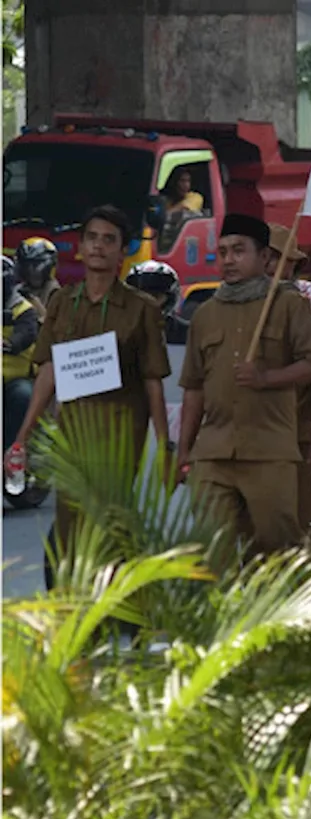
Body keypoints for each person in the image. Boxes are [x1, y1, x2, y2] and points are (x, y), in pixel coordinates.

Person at [10, 206, 171, 564]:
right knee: (69, 529)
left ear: (122, 250)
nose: (99, 247)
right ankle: (73, 608)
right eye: (92, 238)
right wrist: (22, 437)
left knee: (110, 526)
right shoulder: (63, 302)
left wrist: (164, 447)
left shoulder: (142, 308)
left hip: (120, 435)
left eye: (109, 240)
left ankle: (116, 610)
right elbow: (49, 372)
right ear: (81, 246)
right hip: (72, 435)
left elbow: (153, 381)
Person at [176, 213, 311, 560]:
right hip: (213, 452)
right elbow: (194, 388)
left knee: (278, 547)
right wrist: (183, 449)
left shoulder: (290, 305)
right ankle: (222, 612)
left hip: (269, 451)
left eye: (239, 251)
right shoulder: (205, 314)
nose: (229, 259)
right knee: (210, 547)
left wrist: (266, 378)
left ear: (264, 258)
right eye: (224, 251)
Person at [266, 223, 311, 549]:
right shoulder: (241, 300)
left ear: (293, 263)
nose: (270, 267)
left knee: (296, 517)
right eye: (265, 258)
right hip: (256, 428)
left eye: (276, 259)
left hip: (300, 422)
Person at [3, 256, 39, 450]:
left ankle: (11, 450)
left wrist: (11, 343)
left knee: (24, 396)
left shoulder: (23, 308)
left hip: (14, 380)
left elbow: (27, 332)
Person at [14, 237, 60, 321]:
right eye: (27, 265)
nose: (32, 271)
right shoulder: (17, 290)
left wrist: (34, 301)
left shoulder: (56, 294)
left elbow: (52, 326)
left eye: (36, 265)